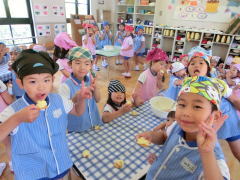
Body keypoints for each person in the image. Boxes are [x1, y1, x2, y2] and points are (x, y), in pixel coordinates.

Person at [0, 49, 92, 180]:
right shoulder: (14, 111)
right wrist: (18, 119)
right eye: (33, 81)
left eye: (46, 80)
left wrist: (81, 99)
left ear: (53, 79)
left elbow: (78, 112)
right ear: (20, 83)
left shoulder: (58, 100)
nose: (41, 87)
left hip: (60, 165)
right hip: (33, 173)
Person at [137, 76, 230, 179]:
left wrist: (206, 153)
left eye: (197, 107)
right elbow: (164, 136)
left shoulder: (213, 158)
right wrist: (152, 136)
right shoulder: (176, 126)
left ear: (215, 116)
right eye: (181, 104)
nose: (186, 113)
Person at [186, 46, 240, 161]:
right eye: (192, 63)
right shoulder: (187, 86)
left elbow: (235, 100)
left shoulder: (217, 83)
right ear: (188, 69)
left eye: (201, 63)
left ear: (208, 69)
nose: (196, 65)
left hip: (227, 118)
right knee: (203, 152)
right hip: (207, 123)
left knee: (238, 152)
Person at [58, 46, 102, 132]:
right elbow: (64, 108)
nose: (82, 67)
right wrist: (77, 96)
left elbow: (98, 99)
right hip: (77, 128)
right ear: (70, 64)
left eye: (86, 63)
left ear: (91, 65)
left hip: (94, 122)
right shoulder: (65, 86)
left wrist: (95, 88)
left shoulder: (90, 80)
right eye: (78, 63)